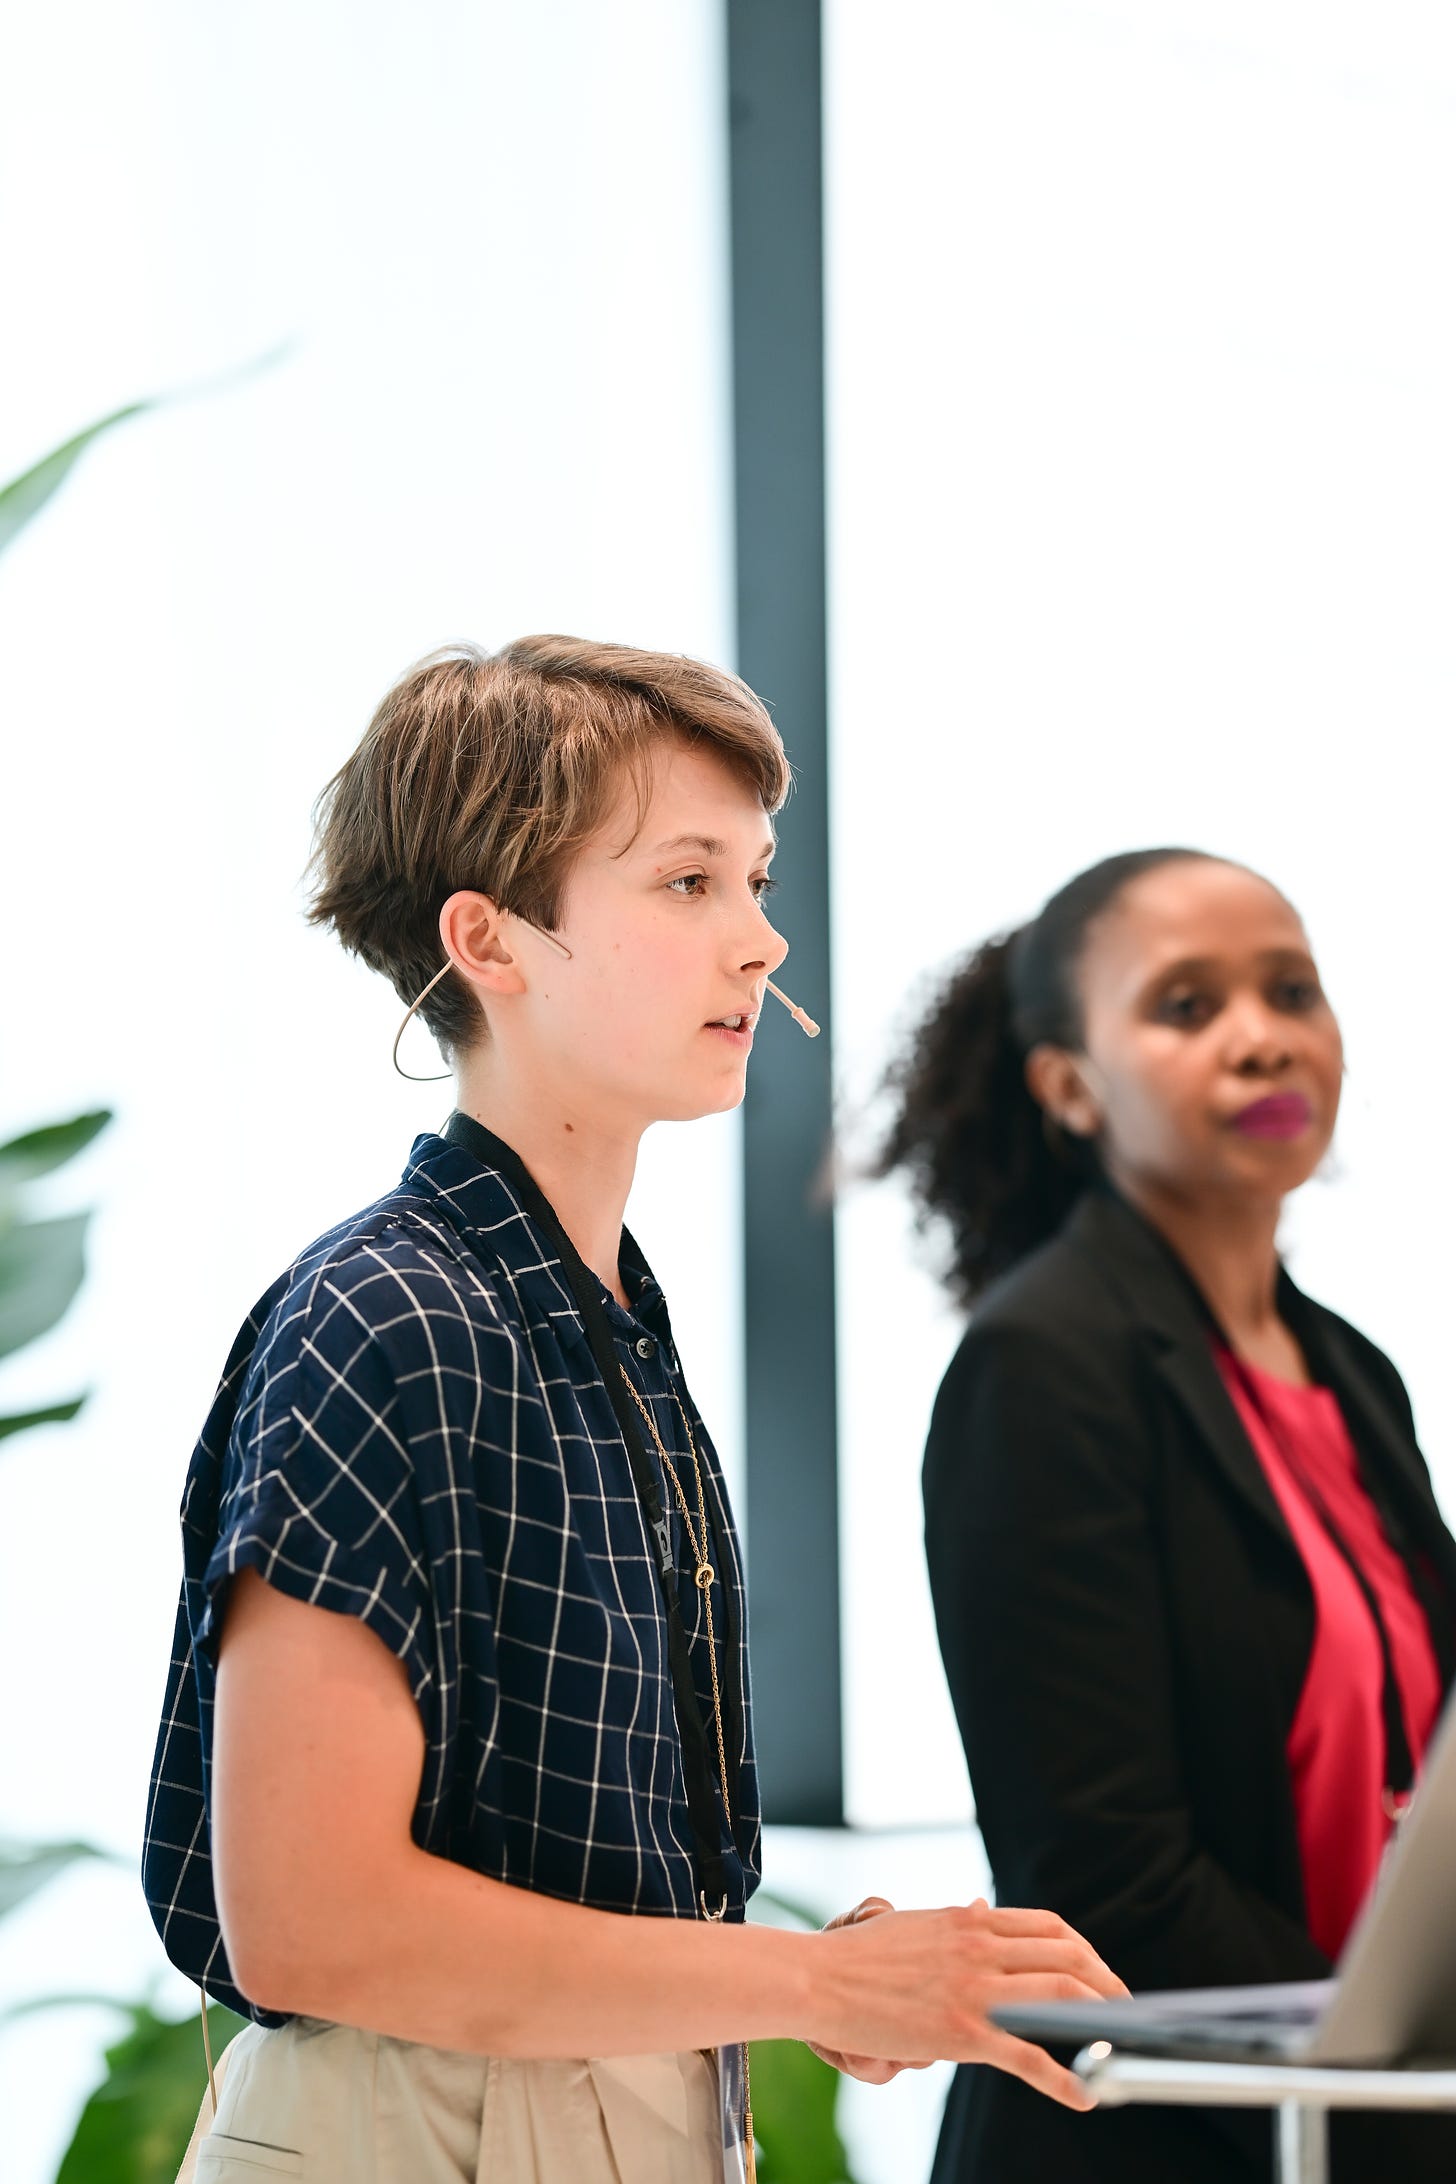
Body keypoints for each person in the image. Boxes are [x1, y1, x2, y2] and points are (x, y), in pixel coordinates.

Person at [141, 638, 1122, 2184]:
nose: (760, 945)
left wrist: (826, 1978)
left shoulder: (601, 1323)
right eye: (687, 884)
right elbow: (313, 1923)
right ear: (491, 939)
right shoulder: (384, 1317)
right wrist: (811, 1982)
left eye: (758, 880)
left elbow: (574, 1877)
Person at [878, 847, 1456, 2184]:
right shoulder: (1042, 1367)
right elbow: (1106, 1873)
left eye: (1291, 992)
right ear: (1069, 1087)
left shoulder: (1353, 1373)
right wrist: (1380, 2085)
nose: (1261, 1041)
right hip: (1158, 2142)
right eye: (1187, 1007)